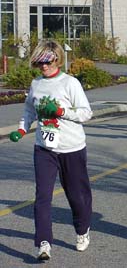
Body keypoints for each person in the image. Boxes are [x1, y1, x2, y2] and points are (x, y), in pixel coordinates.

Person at [9, 40, 93, 260]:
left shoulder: (70, 83)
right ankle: (43, 243)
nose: (43, 67)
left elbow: (86, 113)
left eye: (47, 62)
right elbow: (29, 110)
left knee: (77, 196)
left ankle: (82, 230)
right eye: (39, 63)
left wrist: (60, 111)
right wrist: (21, 128)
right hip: (44, 148)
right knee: (42, 196)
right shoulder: (36, 84)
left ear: (57, 59)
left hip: (72, 148)